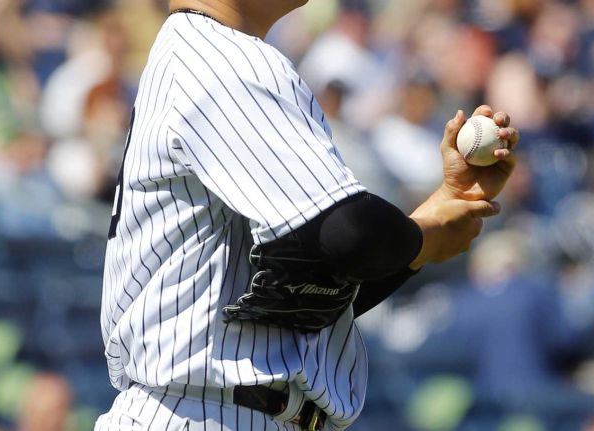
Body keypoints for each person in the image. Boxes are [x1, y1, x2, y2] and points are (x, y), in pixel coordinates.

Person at [95, 0, 519, 430]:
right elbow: (350, 234)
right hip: (208, 412)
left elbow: (300, 289)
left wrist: (434, 214)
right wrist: (424, 234)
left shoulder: (195, 55)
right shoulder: (223, 59)